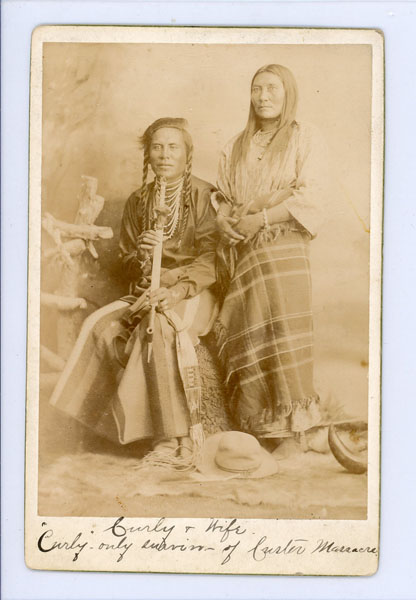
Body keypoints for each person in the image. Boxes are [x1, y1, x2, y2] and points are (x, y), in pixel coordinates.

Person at [50, 117, 218, 466]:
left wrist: (176, 287)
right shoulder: (139, 200)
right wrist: (140, 256)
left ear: (188, 154)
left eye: (173, 147)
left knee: (156, 328)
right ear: (148, 154)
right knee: (99, 325)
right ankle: (101, 430)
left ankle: (173, 438)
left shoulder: (205, 195)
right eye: (157, 147)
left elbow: (211, 261)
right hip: (149, 289)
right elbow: (125, 262)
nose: (164, 154)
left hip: (192, 291)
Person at [214, 64, 329, 447]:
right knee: (252, 335)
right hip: (246, 252)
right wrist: (227, 220)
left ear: (288, 94)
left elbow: (310, 197)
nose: (263, 97)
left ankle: (293, 436)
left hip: (284, 249)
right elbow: (227, 199)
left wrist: (260, 217)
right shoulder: (234, 145)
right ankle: (258, 430)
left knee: (283, 334)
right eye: (256, 89)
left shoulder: (304, 137)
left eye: (272, 89)